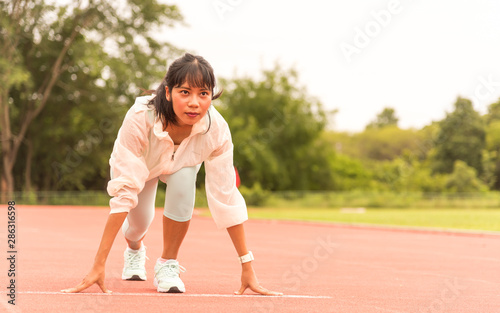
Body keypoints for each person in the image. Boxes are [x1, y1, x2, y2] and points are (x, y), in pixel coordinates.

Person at [62, 53, 281, 296]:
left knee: (185, 180)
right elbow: (125, 190)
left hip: (181, 166)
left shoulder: (216, 130)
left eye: (203, 94)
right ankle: (134, 249)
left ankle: (167, 265)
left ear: (211, 96)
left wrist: (246, 265)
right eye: (185, 92)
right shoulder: (140, 117)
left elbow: (226, 195)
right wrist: (98, 264)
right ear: (167, 92)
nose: (194, 102)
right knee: (138, 225)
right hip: (142, 167)